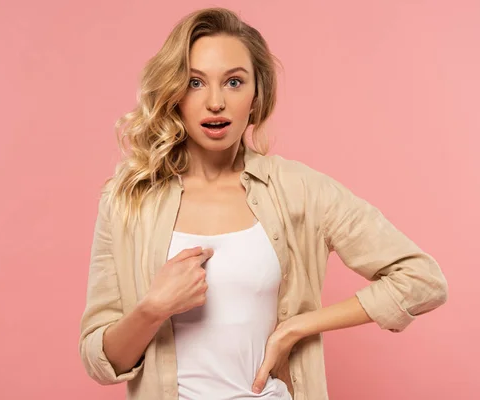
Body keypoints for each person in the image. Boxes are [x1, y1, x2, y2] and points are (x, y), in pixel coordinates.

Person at [78, 7, 448, 400]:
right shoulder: (128, 201)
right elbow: (99, 360)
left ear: (257, 96)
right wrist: (152, 308)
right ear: (173, 94)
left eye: (234, 82)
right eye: (195, 83)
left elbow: (421, 281)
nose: (215, 102)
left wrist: (299, 326)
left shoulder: (299, 190)